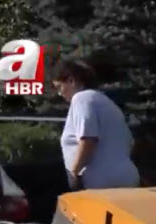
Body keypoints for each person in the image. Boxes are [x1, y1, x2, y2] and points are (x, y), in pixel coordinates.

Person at [52, 60, 140, 190]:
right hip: (126, 177)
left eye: (59, 87)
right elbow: (130, 143)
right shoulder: (108, 103)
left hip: (98, 181)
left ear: (71, 81)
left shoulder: (82, 99)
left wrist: (73, 173)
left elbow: (88, 139)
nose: (60, 93)